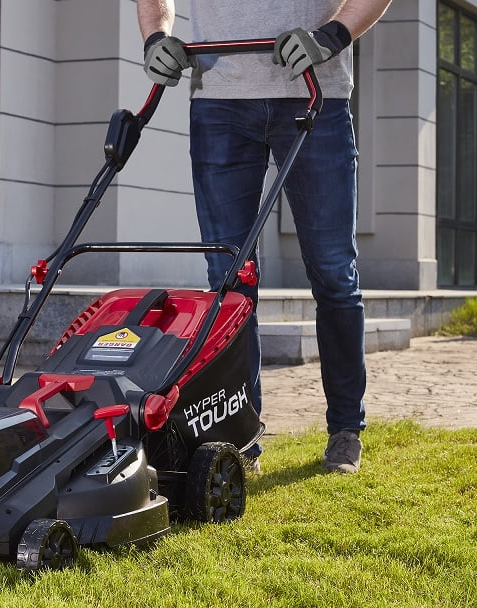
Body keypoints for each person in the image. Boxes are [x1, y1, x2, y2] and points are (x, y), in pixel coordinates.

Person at [137, 0, 393, 474]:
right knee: (229, 281)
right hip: (219, 100)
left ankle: (344, 429)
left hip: (317, 91)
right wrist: (157, 34)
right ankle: (240, 438)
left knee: (334, 272)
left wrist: (334, 34)